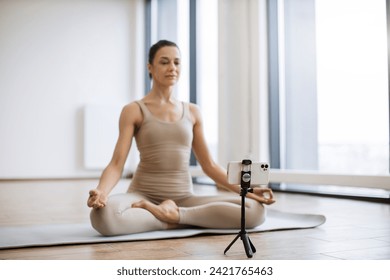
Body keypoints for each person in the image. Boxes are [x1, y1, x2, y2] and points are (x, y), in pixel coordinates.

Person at [87, 39, 275, 236]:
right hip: (143, 196)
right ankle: (180, 218)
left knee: (255, 210)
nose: (172, 68)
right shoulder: (134, 110)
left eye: (177, 62)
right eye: (164, 62)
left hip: (184, 198)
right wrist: (102, 191)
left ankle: (175, 216)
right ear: (150, 67)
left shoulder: (193, 111)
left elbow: (209, 165)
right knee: (103, 216)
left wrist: (247, 191)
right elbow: (117, 164)